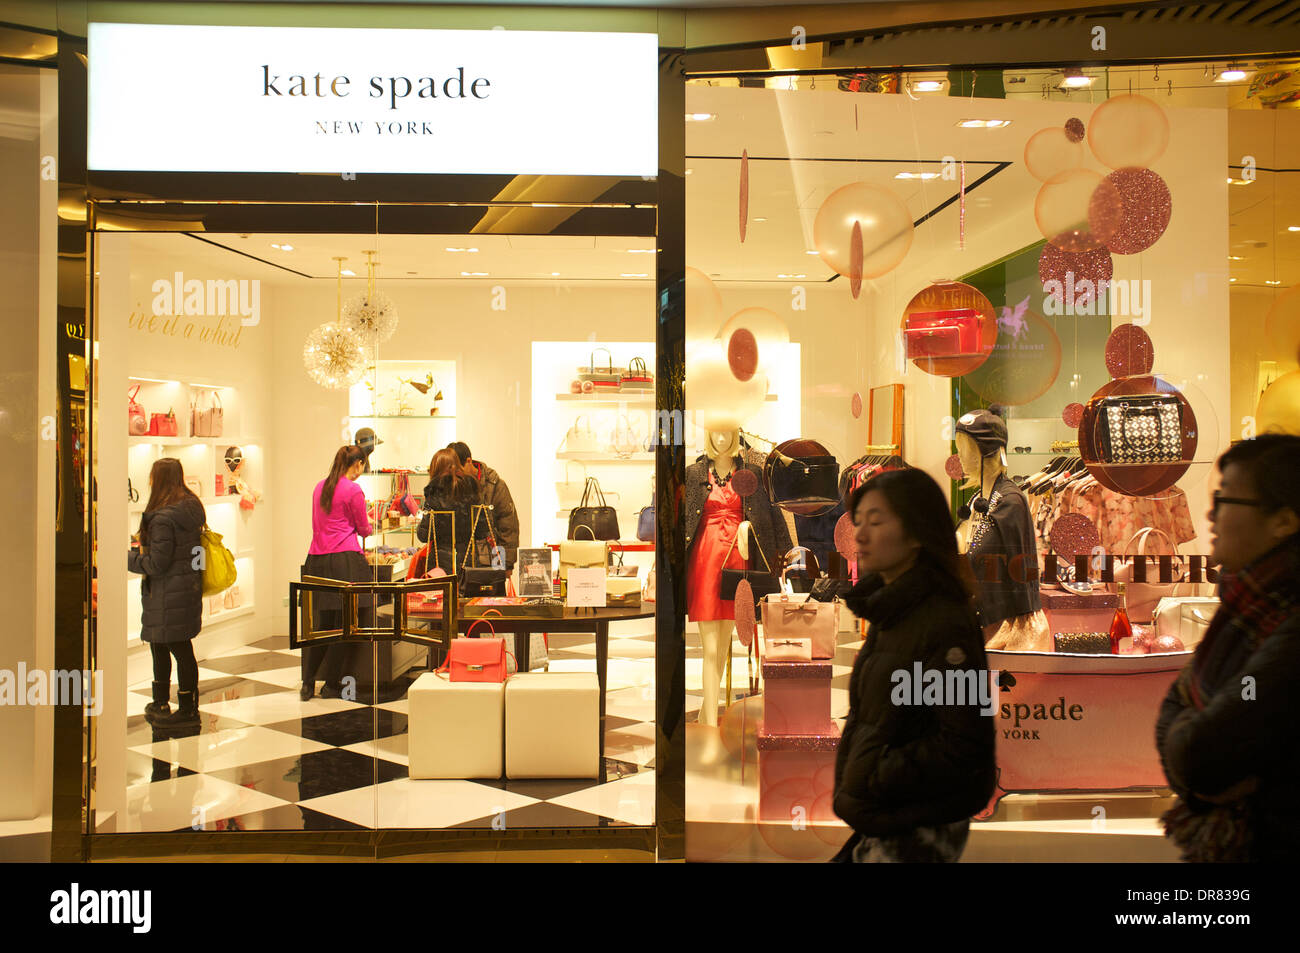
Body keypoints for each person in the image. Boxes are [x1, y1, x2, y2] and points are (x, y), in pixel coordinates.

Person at [832, 467, 996, 862]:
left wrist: (877, 772)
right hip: (887, 821)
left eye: (876, 521)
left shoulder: (943, 623)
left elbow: (962, 745)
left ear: (917, 532)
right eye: (859, 522)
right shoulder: (893, 612)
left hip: (918, 830)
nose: (860, 535)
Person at [1156, 434, 1300, 862]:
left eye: (1225, 500)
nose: (1210, 514)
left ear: (1284, 521)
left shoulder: (1285, 624)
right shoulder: (1245, 608)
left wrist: (1192, 726)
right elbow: (1173, 713)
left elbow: (1199, 755)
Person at [129, 458, 206, 728]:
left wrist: (128, 558)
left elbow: (157, 564)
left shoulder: (162, 518)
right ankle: (167, 701)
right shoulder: (191, 508)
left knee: (174, 647)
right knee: (164, 644)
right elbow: (196, 556)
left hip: (166, 592)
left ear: (157, 479)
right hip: (185, 589)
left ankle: (184, 708)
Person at [301, 445, 373, 700]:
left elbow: (318, 523)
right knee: (346, 626)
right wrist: (370, 525)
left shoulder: (320, 486)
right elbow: (363, 529)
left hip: (317, 560)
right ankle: (332, 684)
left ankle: (308, 683)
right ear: (357, 464)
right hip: (345, 560)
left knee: (323, 625)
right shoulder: (353, 490)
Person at [418, 447, 490, 578]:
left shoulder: (434, 493)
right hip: (469, 561)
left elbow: (423, 535)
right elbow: (482, 530)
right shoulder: (473, 488)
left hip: (440, 565)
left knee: (442, 597)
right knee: (468, 597)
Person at [447, 441, 519, 570]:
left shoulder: (495, 485)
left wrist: (506, 565)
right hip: (458, 561)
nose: (456, 475)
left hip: (488, 562)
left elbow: (508, 527)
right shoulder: (452, 484)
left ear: (468, 461)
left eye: (458, 470)